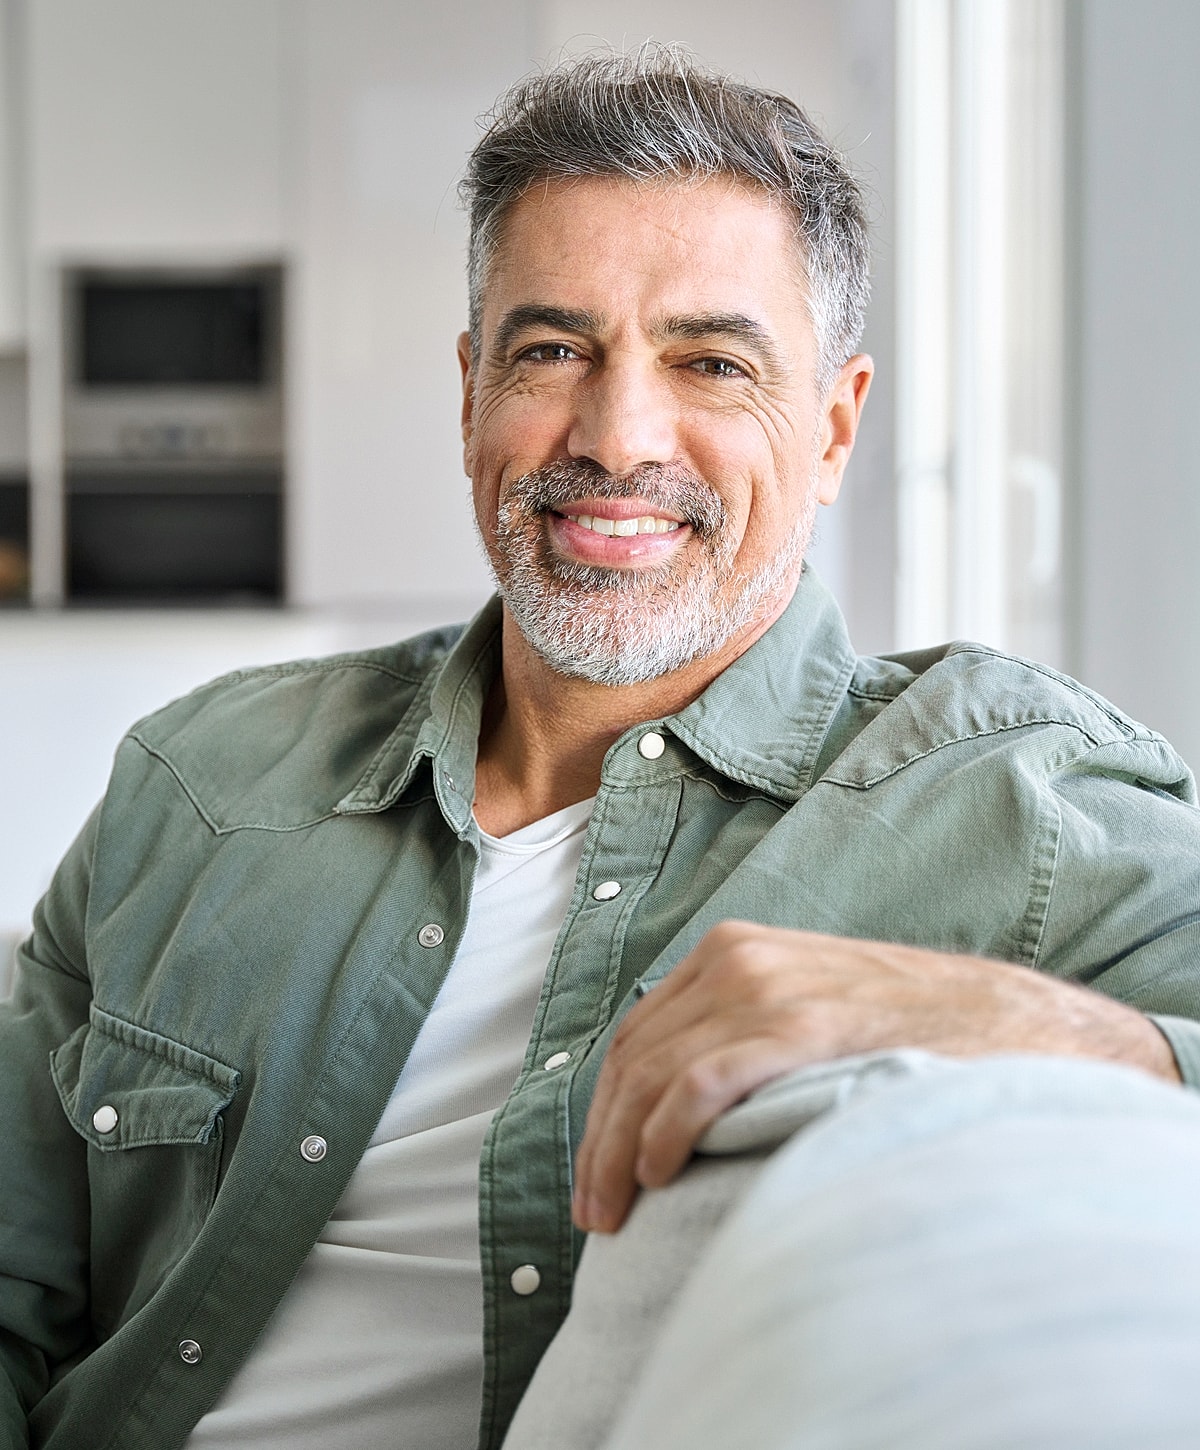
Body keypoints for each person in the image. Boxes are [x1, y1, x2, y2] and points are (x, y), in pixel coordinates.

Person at [4, 47, 1200, 1450]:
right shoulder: (199, 778)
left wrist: (999, 1017)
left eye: (711, 361)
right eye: (554, 350)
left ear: (832, 425)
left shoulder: (1013, 796)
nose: (619, 436)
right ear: (471, 396)